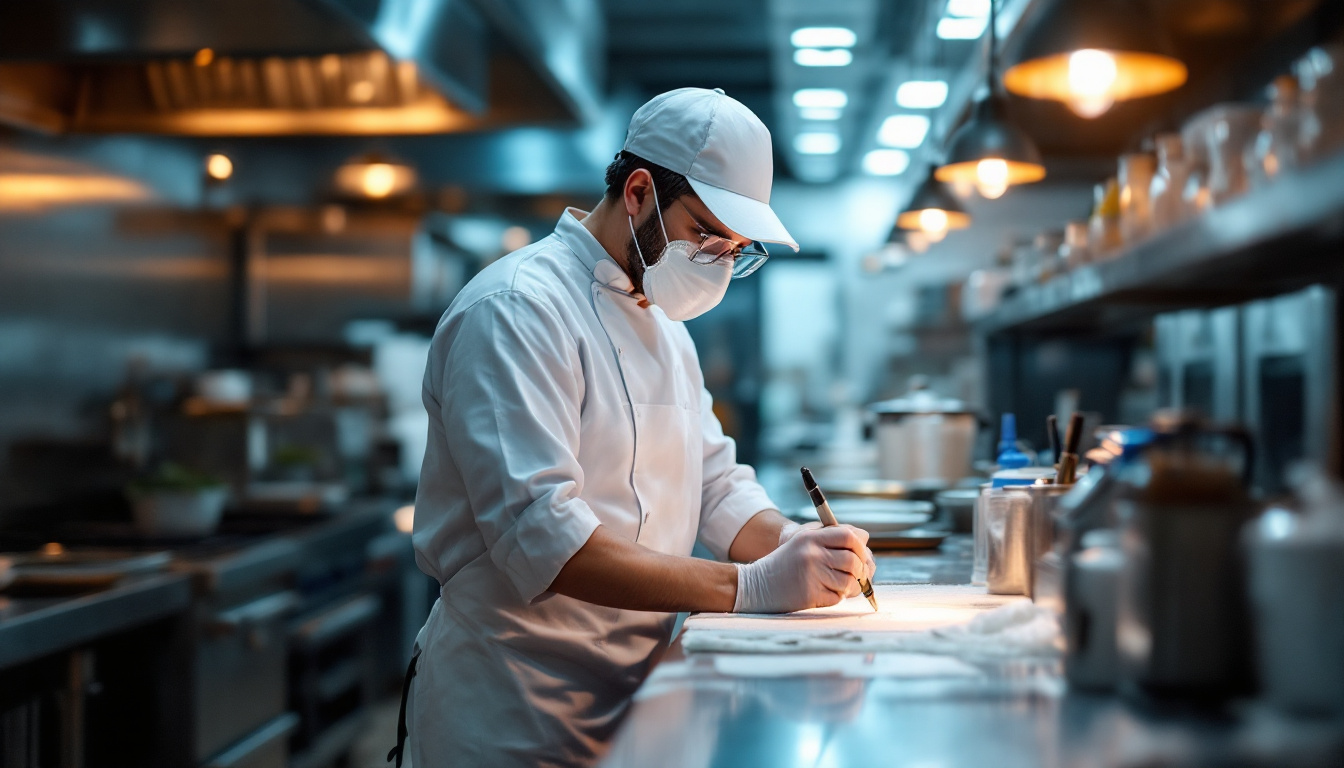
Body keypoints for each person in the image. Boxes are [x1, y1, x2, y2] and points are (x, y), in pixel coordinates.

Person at [399, 87, 875, 768]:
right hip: (517, 709)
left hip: (644, 693)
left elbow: (714, 484)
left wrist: (802, 544)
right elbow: (546, 541)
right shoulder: (516, 311)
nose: (718, 260)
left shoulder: (660, 320)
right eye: (707, 235)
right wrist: (753, 587)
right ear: (639, 192)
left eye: (736, 249)